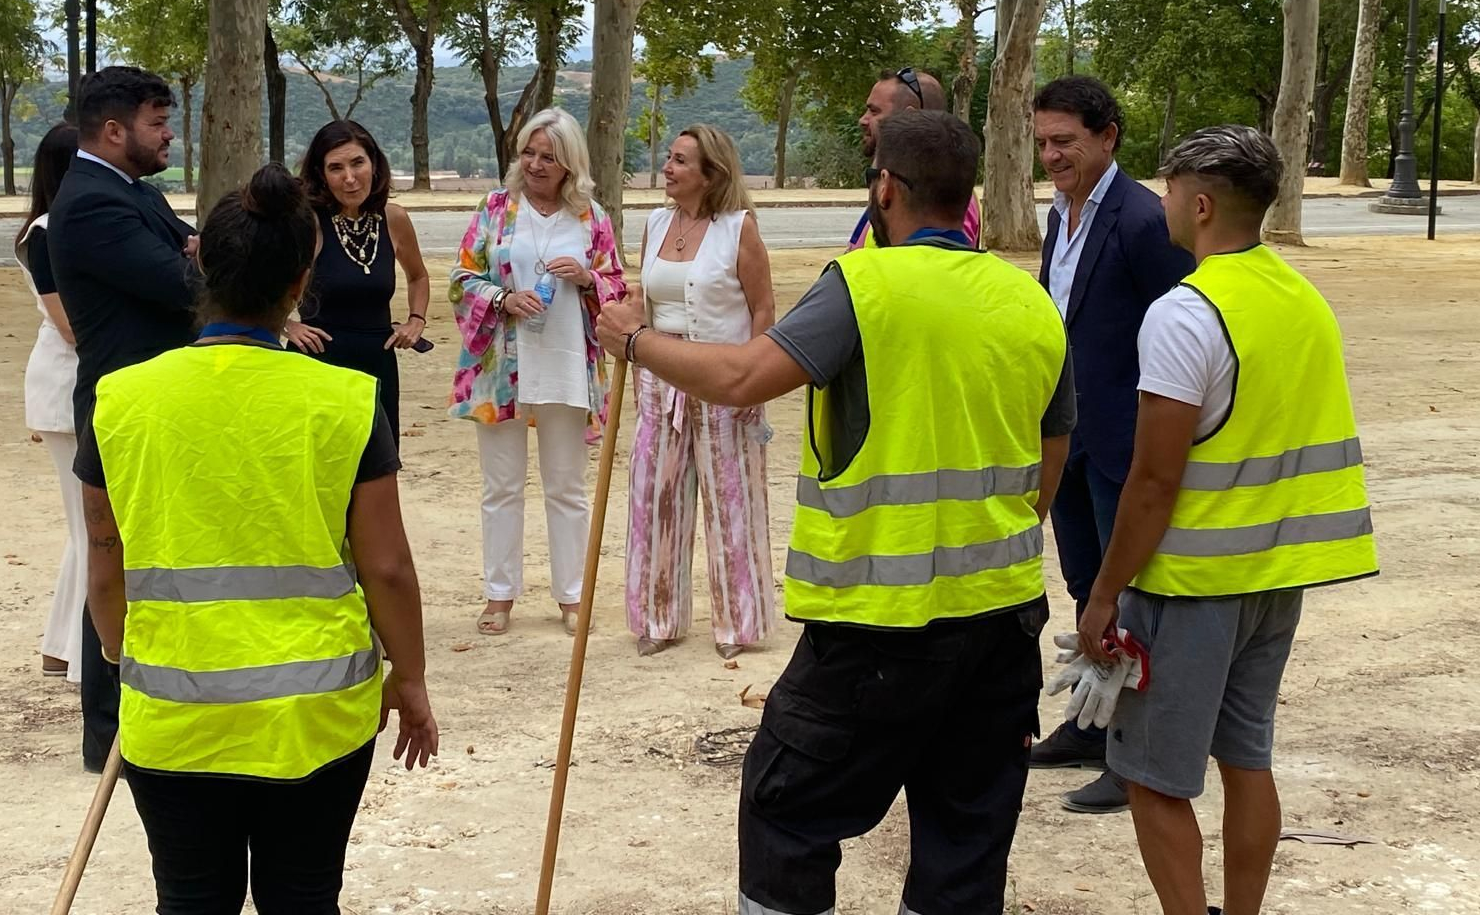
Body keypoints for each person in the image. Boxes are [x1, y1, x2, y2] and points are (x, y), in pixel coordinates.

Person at [599, 109, 1077, 915]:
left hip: (874, 626)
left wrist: (636, 342)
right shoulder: (1028, 300)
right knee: (965, 837)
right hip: (999, 623)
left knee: (786, 809)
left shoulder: (863, 285)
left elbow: (746, 377)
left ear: (885, 188)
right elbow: (1050, 466)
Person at [79, 162, 438, 913]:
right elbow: (388, 567)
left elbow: (106, 563)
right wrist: (410, 678)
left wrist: (121, 656)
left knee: (189, 900)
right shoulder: (344, 397)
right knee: (304, 899)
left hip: (172, 710)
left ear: (199, 258)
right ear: (304, 275)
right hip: (314, 715)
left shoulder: (121, 398)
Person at [1077, 126, 1377, 915]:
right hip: (1276, 579)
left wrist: (1104, 593)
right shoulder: (1300, 298)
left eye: (1170, 190)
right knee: (1248, 761)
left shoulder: (1185, 313)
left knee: (1150, 777)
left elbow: (1152, 480)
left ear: (1200, 204)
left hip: (1190, 585)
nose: (1163, 203)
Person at [1028, 75, 1193, 815]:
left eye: (1065, 141)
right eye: (1042, 143)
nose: (1052, 156)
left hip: (1126, 441)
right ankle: (1093, 725)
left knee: (1130, 598)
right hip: (1070, 436)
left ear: (1108, 136)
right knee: (1085, 582)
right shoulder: (1058, 217)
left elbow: (1184, 326)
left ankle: (1133, 755)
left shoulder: (1141, 220)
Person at [48, 65, 198, 774]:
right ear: (113, 131)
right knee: (116, 561)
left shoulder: (132, 191)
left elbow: (193, 253)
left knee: (146, 557)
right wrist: (193, 259)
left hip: (159, 400)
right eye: (158, 124)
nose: (169, 137)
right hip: (125, 406)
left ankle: (147, 708)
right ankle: (108, 731)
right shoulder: (91, 205)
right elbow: (182, 282)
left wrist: (193, 252)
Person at [449, 107, 626, 637]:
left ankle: (572, 596)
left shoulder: (591, 217)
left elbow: (617, 285)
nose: (536, 163)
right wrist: (503, 298)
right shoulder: (496, 208)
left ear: (570, 163)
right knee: (500, 485)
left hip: (568, 365)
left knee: (566, 486)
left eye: (549, 156)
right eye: (529, 152)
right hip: (500, 367)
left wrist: (589, 278)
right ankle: (499, 595)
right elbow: (461, 279)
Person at [628, 125, 777, 660]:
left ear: (710, 173)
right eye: (669, 158)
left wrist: (757, 376)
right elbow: (644, 300)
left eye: (681, 161)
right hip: (660, 375)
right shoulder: (654, 222)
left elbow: (763, 309)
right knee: (655, 494)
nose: (668, 168)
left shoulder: (739, 229)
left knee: (731, 498)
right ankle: (657, 618)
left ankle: (740, 622)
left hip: (723, 372)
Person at [287, 120, 431, 446]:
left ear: (374, 164)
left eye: (357, 163)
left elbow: (418, 276)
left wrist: (416, 320)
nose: (349, 178)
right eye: (335, 168)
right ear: (321, 175)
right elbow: (261, 283)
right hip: (320, 362)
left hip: (377, 362)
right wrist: (288, 326)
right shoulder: (309, 222)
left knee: (377, 470)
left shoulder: (394, 219)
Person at [13, 122, 83, 681]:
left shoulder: (67, 225)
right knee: (91, 529)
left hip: (73, 385)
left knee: (84, 530)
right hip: (67, 387)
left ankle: (62, 649)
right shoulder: (46, 233)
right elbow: (69, 326)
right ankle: (86, 657)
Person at [849, 67, 980, 248]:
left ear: (909, 115)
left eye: (874, 111)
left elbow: (936, 267)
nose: (863, 120)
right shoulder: (899, 183)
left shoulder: (941, 193)